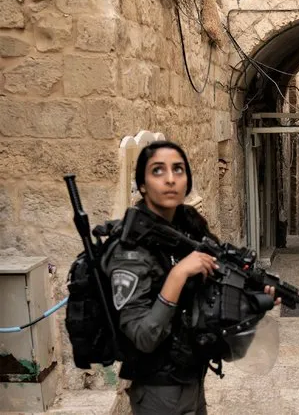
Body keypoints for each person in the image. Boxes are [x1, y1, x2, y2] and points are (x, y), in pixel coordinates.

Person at [103, 141, 280, 414]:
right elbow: (143, 337)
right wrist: (179, 273)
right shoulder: (131, 252)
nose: (171, 179)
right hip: (158, 390)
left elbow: (208, 305)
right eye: (158, 171)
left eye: (178, 170)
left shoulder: (189, 231)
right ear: (141, 185)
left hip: (191, 378)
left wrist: (252, 303)